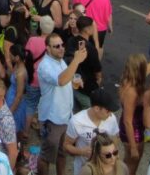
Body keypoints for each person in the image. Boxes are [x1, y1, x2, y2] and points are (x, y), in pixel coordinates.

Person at [38, 33, 87, 175]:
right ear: (47, 49)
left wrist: (74, 80)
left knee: (62, 153)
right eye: (56, 46)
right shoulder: (45, 66)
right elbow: (60, 80)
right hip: (52, 118)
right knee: (46, 156)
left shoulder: (60, 61)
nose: (61, 48)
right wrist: (76, 61)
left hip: (65, 116)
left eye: (62, 45)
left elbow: (66, 77)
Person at [64, 88, 120, 175]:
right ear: (97, 108)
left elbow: (115, 139)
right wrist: (82, 152)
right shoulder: (76, 121)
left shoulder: (111, 119)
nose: (110, 114)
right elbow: (66, 145)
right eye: (108, 111)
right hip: (84, 170)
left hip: (106, 170)